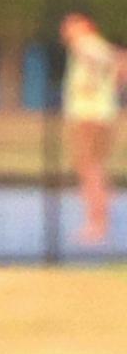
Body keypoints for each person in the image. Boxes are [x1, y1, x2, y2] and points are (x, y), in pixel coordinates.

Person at [60, 13, 124, 245]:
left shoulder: (87, 46)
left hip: (90, 117)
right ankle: (101, 216)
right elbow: (118, 62)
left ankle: (97, 223)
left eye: (71, 25)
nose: (65, 30)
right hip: (100, 115)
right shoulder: (95, 47)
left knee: (90, 169)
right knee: (94, 167)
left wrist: (97, 85)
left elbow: (116, 61)